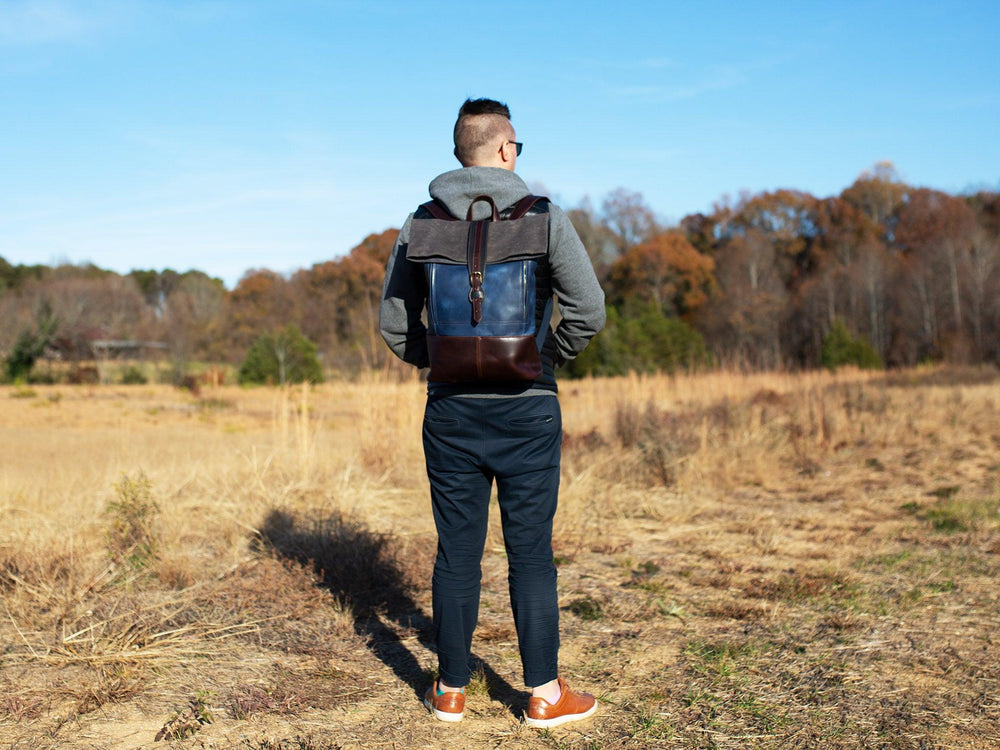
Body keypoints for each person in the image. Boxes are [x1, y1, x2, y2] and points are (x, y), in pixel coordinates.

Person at [379, 98, 605, 727]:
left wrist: (443, 363)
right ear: (507, 150)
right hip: (528, 411)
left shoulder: (419, 222)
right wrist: (539, 360)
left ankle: (449, 691)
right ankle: (543, 695)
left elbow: (394, 324)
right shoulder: (545, 219)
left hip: (450, 411)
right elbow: (589, 311)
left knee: (457, 552)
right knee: (530, 552)